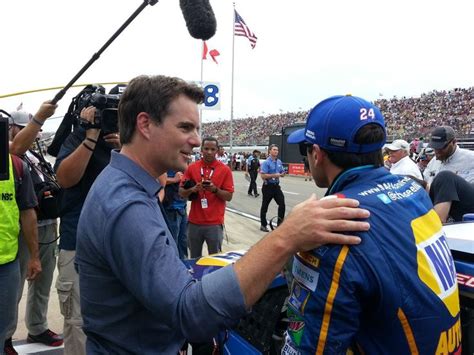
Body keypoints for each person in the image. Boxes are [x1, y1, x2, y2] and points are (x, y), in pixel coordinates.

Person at [75, 75, 371, 354]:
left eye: (197, 129)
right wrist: (288, 236)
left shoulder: (128, 185)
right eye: (185, 127)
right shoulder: (126, 205)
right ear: (145, 124)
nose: (196, 140)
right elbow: (190, 314)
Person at [285, 94, 461, 354]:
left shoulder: (331, 225)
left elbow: (308, 346)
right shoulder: (415, 193)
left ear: (317, 154)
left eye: (305, 149)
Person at [54, 105, 120, 355]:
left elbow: (156, 186)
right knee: (78, 322)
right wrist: (90, 136)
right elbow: (65, 179)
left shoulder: (128, 145)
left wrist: (126, 149)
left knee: (116, 316)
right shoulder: (76, 138)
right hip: (77, 244)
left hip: (116, 244)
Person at [6, 111, 63, 350]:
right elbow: (16, 148)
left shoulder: (35, 155)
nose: (33, 133)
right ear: (11, 129)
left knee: (42, 280)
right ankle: (5, 335)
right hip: (21, 228)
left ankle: (37, 327)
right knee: (13, 287)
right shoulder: (11, 152)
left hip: (46, 226)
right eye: (23, 127)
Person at [1, 154, 41, 355]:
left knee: (3, 326)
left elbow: (27, 212)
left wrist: (34, 256)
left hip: (7, 264)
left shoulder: (16, 166)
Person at [179, 137, 233, 258]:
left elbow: (229, 196)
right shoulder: (192, 168)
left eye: (212, 149)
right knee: (194, 259)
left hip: (214, 224)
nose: (209, 152)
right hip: (194, 223)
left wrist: (215, 190)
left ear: (217, 150)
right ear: (201, 149)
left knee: (215, 260)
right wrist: (193, 189)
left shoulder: (225, 170)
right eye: (206, 148)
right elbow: (181, 192)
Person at [259, 144, 286, 232]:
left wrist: (282, 174)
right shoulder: (266, 162)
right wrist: (274, 175)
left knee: (282, 204)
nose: (276, 151)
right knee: (265, 206)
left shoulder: (279, 162)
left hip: (276, 187)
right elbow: (263, 176)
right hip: (268, 187)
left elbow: (281, 171)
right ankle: (263, 225)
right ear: (270, 151)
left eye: (277, 150)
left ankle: (280, 224)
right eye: (274, 150)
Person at [163, 170, 188, 259]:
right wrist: (174, 179)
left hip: (182, 207)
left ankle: (184, 266)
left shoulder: (181, 163)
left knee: (183, 241)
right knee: (172, 242)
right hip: (171, 208)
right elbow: (156, 180)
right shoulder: (165, 161)